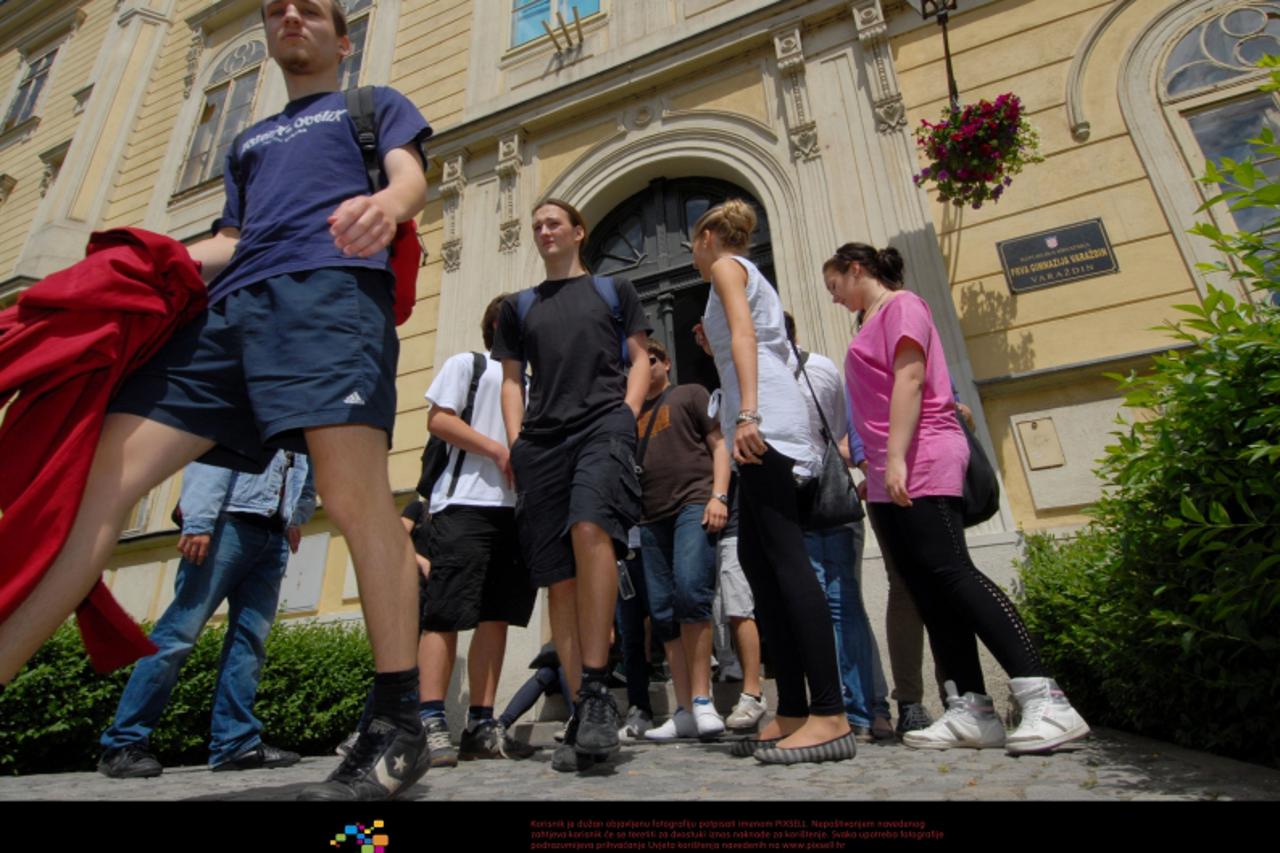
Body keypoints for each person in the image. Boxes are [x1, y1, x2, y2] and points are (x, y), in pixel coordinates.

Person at [0, 0, 434, 801]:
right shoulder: (247, 141)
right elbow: (231, 240)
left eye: (310, 9)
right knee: (99, 485)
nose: (288, 16)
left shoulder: (371, 106)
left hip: (328, 297)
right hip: (226, 316)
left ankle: (398, 724)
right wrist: (104, 282)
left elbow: (409, 172)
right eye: (276, 10)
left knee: (353, 497)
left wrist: (390, 206)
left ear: (344, 39)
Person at [825, 241, 1090, 753]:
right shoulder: (870, 319)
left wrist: (898, 456)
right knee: (928, 588)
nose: (834, 298)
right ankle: (971, 709)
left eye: (835, 286)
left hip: (920, 456)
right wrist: (878, 466)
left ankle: (1047, 698)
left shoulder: (903, 306)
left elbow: (911, 378)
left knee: (951, 572)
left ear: (855, 269)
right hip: (886, 473)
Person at [693, 199, 854, 765]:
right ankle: (792, 710)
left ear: (709, 235)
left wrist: (748, 415)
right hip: (766, 421)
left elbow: (745, 336)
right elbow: (751, 338)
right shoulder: (740, 273)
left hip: (766, 426)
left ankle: (829, 714)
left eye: (694, 242)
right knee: (762, 569)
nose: (693, 254)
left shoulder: (726, 267)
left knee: (785, 563)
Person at [491, 198, 649, 771]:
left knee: (591, 527)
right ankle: (584, 705)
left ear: (579, 232)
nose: (543, 230)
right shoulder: (518, 307)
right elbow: (511, 381)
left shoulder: (614, 292)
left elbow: (640, 358)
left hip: (602, 426)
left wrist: (628, 414)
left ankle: (600, 690)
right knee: (558, 578)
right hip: (542, 444)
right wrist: (515, 442)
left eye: (553, 222)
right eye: (535, 225)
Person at [97, 452, 314, 777]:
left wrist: (296, 516)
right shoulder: (250, 401)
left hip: (274, 535)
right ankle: (123, 743)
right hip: (227, 524)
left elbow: (308, 479)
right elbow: (212, 456)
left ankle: (235, 743)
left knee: (250, 642)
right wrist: (198, 522)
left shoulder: (304, 419)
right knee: (178, 635)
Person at [416, 295, 537, 764]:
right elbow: (439, 419)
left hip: (516, 512)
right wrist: (497, 448)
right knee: (445, 613)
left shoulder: (533, 383)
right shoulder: (469, 365)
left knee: (496, 616)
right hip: (464, 504)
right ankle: (430, 721)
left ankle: (482, 725)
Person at [781, 312, 888, 743]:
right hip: (832, 499)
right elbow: (842, 434)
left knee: (829, 608)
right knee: (845, 605)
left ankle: (851, 709)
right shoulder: (823, 366)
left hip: (809, 502)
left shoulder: (775, 381)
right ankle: (867, 709)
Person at [632, 339, 731, 741]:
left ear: (666, 362)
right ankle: (684, 708)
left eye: (650, 359)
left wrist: (719, 495)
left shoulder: (691, 393)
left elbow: (720, 443)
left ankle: (704, 700)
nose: (643, 366)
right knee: (663, 613)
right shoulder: (630, 413)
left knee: (691, 592)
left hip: (694, 503)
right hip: (649, 518)